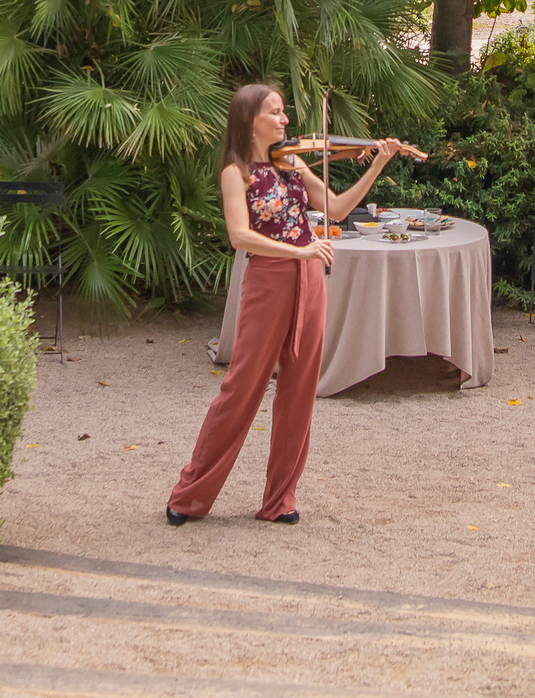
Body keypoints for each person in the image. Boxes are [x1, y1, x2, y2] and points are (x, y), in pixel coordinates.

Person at [166, 82, 403, 526]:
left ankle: (279, 500)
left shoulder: (292, 162)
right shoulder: (235, 172)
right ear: (249, 119)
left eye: (283, 111)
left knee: (300, 391)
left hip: (309, 279)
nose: (285, 119)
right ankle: (190, 495)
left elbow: (336, 209)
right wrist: (300, 250)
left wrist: (378, 164)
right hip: (269, 280)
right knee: (241, 389)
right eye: (275, 112)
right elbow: (240, 236)